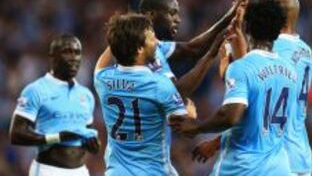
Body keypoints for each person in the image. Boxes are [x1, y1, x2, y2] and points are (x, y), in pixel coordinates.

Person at [170, 0, 297, 175]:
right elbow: (256, 120)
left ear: (248, 28)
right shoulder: (290, 71)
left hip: (242, 168)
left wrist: (197, 126)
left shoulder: (241, 68)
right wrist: (216, 144)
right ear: (277, 32)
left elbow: (231, 116)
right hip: (279, 168)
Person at [94, 12, 195, 175]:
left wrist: (120, 34)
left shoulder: (102, 79)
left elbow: (100, 64)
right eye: (151, 37)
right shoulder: (160, 84)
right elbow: (186, 127)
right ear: (139, 48)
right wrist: (190, 112)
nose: (156, 42)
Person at [138, 0, 255, 97]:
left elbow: (193, 49)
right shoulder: (140, 49)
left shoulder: (151, 44)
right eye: (172, 14)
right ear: (151, 15)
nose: (178, 20)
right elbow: (177, 92)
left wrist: (230, 16)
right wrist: (211, 55)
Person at [9, 34, 100, 176]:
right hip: (48, 170)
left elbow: (87, 133)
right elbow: (16, 134)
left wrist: (94, 145)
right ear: (52, 56)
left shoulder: (86, 95)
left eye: (77, 53)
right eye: (67, 52)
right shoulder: (36, 90)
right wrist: (56, 137)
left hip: (81, 171)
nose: (73, 58)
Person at [264, 0, 312, 176]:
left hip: (277, 158)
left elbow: (261, 105)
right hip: (300, 155)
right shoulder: (305, 50)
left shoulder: (272, 49)